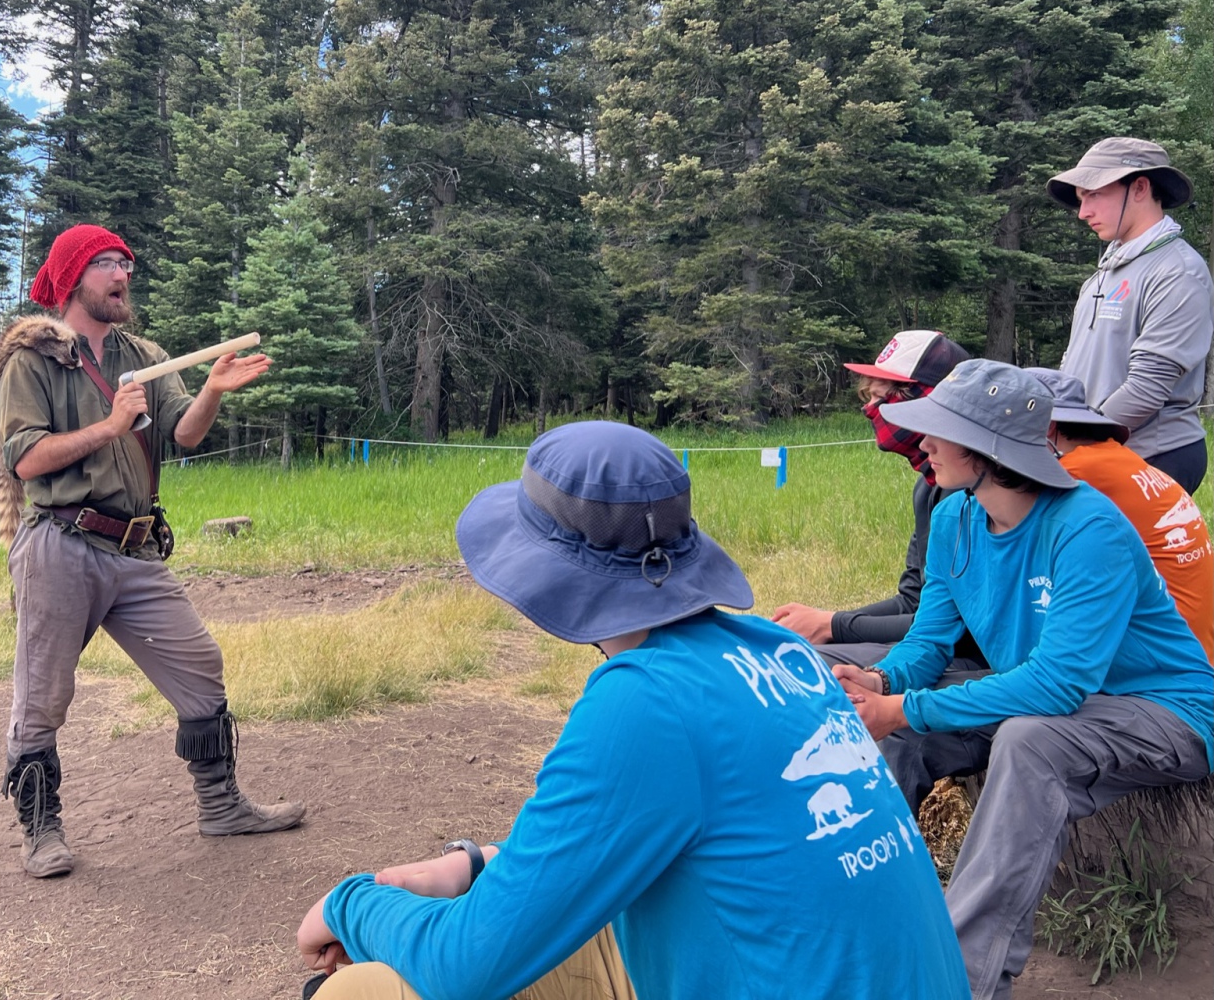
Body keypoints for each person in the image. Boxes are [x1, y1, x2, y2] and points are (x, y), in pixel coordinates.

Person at [297, 422, 968, 1000]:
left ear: (544, 569)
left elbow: (465, 966)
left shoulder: (645, 701)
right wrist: (477, 867)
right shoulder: (778, 650)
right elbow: (701, 833)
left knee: (364, 988)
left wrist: (351, 903)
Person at [834, 360, 1213, 1000]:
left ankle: (960, 980)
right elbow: (928, 642)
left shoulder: (1088, 527)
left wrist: (904, 708)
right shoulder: (956, 519)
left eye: (939, 430)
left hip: (1163, 709)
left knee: (1029, 741)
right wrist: (881, 681)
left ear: (988, 448)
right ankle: (859, 922)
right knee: (874, 711)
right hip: (1055, 699)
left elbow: (1058, 685)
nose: (923, 442)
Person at [0, 223, 304, 878]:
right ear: (73, 278)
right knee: (43, 694)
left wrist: (212, 390)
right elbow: (25, 460)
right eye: (105, 263)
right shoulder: (33, 361)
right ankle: (41, 831)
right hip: (60, 543)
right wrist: (108, 426)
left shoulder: (146, 356)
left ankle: (221, 806)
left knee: (198, 663)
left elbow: (183, 434)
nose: (122, 274)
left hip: (134, 548)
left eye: (125, 263)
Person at [774, 329, 980, 669]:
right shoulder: (928, 487)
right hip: (935, 648)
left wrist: (833, 625)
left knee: (803, 666)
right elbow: (912, 600)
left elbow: (961, 627)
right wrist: (822, 624)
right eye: (868, 397)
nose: (869, 409)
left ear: (926, 402)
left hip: (970, 661)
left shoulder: (974, 496)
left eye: (881, 397)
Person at [1049, 137, 1213, 493]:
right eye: (1080, 199)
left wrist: (1078, 442)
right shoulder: (1102, 274)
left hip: (1150, 457)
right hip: (1095, 452)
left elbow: (1147, 388)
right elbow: (1073, 364)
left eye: (1094, 195)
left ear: (1139, 188)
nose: (1083, 212)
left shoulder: (1178, 271)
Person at [1026, 366, 1213, 661]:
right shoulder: (1113, 456)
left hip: (1161, 659)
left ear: (1047, 426)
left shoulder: (1075, 470)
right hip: (1194, 645)